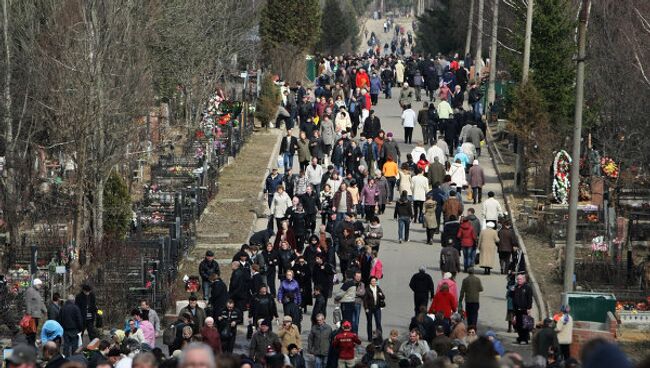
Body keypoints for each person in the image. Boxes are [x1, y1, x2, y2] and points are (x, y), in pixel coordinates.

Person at [24, 278, 47, 345]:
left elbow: (40, 302)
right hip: (32, 315)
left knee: (34, 331)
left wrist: (45, 310)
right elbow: (28, 302)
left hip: (36, 315)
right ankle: (31, 345)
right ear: (35, 284)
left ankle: (32, 344)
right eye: (39, 285)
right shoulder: (30, 291)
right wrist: (29, 313)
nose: (40, 286)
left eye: (40, 285)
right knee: (31, 331)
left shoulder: (37, 291)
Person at [512, 274, 533, 345]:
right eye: (517, 279)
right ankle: (520, 338)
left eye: (520, 279)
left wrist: (529, 308)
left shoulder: (527, 288)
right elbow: (512, 297)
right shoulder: (516, 287)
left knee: (525, 325)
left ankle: (525, 339)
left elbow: (529, 299)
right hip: (517, 310)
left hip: (524, 309)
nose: (519, 280)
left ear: (524, 279)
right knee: (518, 325)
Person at [363, 276, 385, 341]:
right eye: (372, 281)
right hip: (369, 308)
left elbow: (383, 297)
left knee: (378, 322)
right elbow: (365, 300)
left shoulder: (378, 288)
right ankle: (370, 338)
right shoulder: (367, 289)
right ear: (370, 282)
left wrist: (381, 295)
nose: (374, 282)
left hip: (377, 307)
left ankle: (379, 337)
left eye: (375, 281)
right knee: (369, 323)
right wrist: (366, 308)